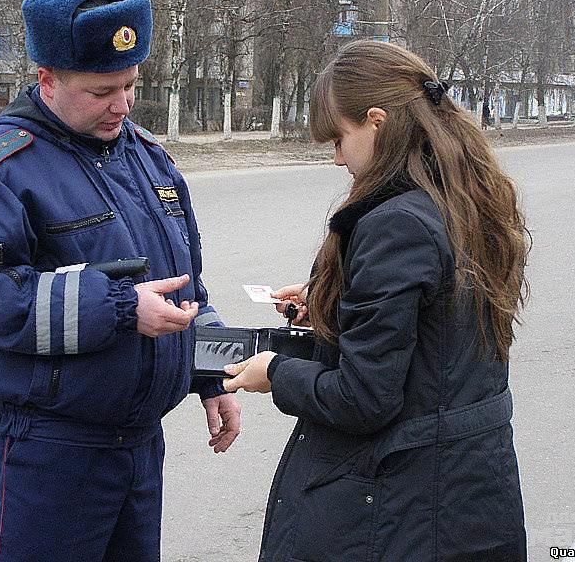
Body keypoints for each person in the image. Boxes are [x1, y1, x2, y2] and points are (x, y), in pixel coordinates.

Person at [0, 0, 241, 562]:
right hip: (52, 448)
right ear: (47, 79)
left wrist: (211, 376)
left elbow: (185, 285)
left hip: (139, 445)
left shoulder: (146, 157)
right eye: (102, 91)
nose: (121, 105)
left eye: (130, 85)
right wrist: (122, 308)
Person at [223, 40, 529, 562]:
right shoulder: (465, 196)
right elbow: (440, 329)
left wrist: (275, 372)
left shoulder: (396, 223)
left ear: (377, 122)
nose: (338, 158)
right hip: (468, 489)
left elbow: (363, 398)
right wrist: (334, 303)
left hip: (402, 504)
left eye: (340, 139)